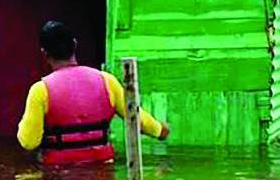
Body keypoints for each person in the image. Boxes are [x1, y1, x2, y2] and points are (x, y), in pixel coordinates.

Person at [17, 21, 170, 165]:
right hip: (102, 165)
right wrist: (159, 130)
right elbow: (135, 117)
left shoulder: (40, 90)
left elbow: (29, 142)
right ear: (75, 44)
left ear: (44, 53)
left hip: (59, 171)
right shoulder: (107, 80)